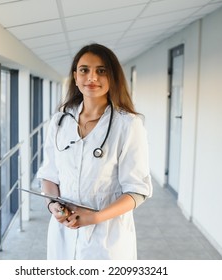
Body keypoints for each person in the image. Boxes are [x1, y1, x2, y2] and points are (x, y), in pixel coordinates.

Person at [36, 43, 153, 260]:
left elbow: (137, 191)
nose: (92, 77)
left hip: (107, 239)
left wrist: (95, 217)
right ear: (75, 76)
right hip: (63, 232)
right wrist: (53, 205)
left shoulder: (128, 125)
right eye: (84, 70)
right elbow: (49, 176)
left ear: (113, 77)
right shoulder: (60, 121)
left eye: (101, 71)